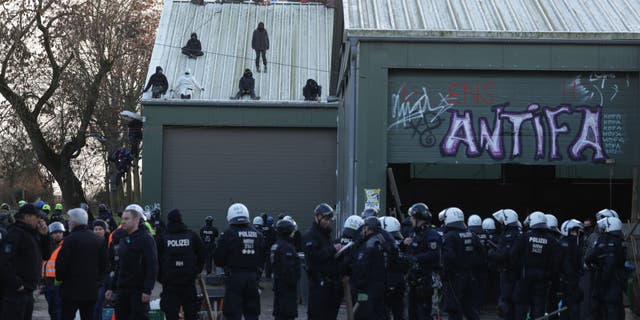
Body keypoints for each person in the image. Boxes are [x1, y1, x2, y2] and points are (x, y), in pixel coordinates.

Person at [105, 204, 158, 320]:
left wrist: (147, 290)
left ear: (136, 220)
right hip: (122, 289)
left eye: (126, 219)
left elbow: (152, 266)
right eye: (122, 219)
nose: (123, 222)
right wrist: (111, 287)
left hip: (138, 291)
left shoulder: (146, 238)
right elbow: (119, 265)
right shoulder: (123, 238)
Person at [55, 208, 108, 320]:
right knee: (88, 316)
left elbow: (61, 264)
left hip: (71, 290)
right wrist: (99, 281)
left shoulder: (69, 240)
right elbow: (104, 265)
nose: (68, 222)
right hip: (91, 290)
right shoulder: (99, 240)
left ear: (74, 221)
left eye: (69, 219)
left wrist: (60, 280)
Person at [214, 203, 264, 320]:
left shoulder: (227, 234)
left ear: (229, 217)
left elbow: (218, 260)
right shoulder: (258, 235)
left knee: (232, 313)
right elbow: (263, 257)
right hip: (253, 279)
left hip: (234, 278)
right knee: (252, 313)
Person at [0, 204, 50, 320]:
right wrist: (17, 284)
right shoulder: (15, 234)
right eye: (37, 217)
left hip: (27, 291)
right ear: (26, 217)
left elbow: (46, 255)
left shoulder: (32, 234)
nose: (39, 220)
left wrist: (44, 236)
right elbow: (4, 263)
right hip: (15, 293)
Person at [157, 209, 206, 320]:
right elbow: (202, 254)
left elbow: (154, 259)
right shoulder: (191, 235)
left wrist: (161, 277)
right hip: (188, 284)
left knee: (171, 315)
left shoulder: (162, 237)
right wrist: (196, 271)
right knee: (191, 314)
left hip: (169, 285)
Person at [511, 211, 560, 320]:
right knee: (539, 304)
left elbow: (513, 255)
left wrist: (518, 271)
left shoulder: (524, 237)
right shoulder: (552, 240)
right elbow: (556, 261)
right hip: (543, 277)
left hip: (525, 275)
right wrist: (550, 275)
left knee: (521, 303)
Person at [439, 207, 484, 320]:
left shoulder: (449, 236)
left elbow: (447, 258)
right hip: (470, 276)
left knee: (453, 308)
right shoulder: (472, 235)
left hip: (454, 277)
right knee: (469, 307)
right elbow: (482, 254)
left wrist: (444, 273)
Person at [302, 203, 343, 320]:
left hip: (330, 284)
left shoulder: (326, 234)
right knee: (317, 315)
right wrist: (333, 249)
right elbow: (314, 256)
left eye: (328, 219)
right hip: (318, 284)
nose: (327, 222)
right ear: (317, 217)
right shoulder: (310, 235)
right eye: (325, 219)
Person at [401, 202, 441, 320]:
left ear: (418, 219)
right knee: (412, 312)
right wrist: (403, 244)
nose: (411, 220)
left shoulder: (431, 234)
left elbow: (434, 254)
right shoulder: (413, 233)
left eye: (412, 218)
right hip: (413, 279)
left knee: (423, 313)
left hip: (425, 279)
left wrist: (416, 258)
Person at [584, 216, 626, 319]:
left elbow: (590, 257)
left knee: (607, 311)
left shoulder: (605, 240)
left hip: (607, 284)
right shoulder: (620, 241)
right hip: (617, 282)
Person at [488, 209, 521, 320]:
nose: (500, 223)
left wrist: (491, 253)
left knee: (506, 301)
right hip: (516, 273)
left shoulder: (509, 235)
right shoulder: (518, 233)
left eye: (502, 221)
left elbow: (504, 255)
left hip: (508, 272)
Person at [351, 217, 387, 320]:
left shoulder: (369, 245)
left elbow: (362, 268)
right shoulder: (382, 243)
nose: (362, 231)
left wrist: (357, 287)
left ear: (368, 228)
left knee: (363, 315)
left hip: (367, 290)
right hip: (380, 287)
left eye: (364, 228)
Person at [271, 219, 300, 320]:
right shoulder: (287, 247)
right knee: (286, 314)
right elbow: (289, 269)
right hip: (287, 288)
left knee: (279, 313)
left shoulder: (276, 245)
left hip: (278, 284)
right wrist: (293, 281)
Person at [559, 219, 583, 320]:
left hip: (570, 280)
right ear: (566, 230)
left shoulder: (573, 245)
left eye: (576, 231)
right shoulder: (565, 244)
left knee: (569, 305)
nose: (575, 234)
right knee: (570, 305)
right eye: (573, 231)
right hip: (567, 280)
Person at [43, 222, 65, 320]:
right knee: (51, 309)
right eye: (55, 232)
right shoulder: (47, 246)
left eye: (60, 232)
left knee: (58, 309)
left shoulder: (65, 246)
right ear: (51, 234)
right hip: (48, 282)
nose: (58, 234)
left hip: (59, 282)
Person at [92, 219, 111, 320]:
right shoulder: (89, 244)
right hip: (92, 281)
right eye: (95, 229)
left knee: (101, 307)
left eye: (100, 229)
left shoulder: (109, 244)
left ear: (105, 230)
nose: (98, 231)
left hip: (104, 281)